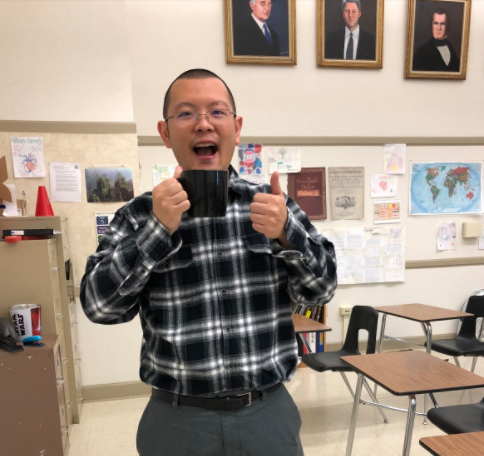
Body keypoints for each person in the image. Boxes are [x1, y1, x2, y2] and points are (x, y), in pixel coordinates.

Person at [80, 69, 337, 456]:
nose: (203, 124)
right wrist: (156, 231)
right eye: (186, 114)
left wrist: (287, 233)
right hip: (177, 421)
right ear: (165, 133)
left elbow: (323, 288)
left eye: (217, 112)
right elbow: (99, 307)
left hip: (267, 414)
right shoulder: (138, 215)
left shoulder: (271, 205)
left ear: (236, 127)